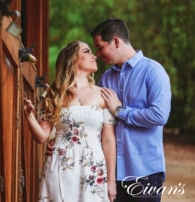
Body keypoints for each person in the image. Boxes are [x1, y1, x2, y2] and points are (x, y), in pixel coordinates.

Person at [23, 40, 117, 202]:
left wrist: (111, 180)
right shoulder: (56, 94)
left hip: (92, 167)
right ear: (73, 59)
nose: (94, 56)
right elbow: (41, 136)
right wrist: (29, 116)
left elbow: (108, 140)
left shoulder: (103, 95)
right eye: (87, 52)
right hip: (60, 165)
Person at [90, 18, 172, 202]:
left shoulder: (153, 72)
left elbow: (159, 115)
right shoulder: (105, 79)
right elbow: (96, 120)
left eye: (100, 47)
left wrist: (120, 111)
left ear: (116, 41)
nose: (98, 54)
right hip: (111, 173)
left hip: (145, 172)